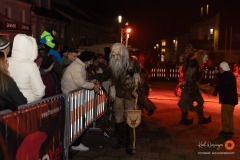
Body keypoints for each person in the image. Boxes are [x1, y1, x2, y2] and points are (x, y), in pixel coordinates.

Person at [102, 43, 141, 155]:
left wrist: (136, 90)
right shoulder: (112, 64)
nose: (115, 57)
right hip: (117, 94)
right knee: (118, 117)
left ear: (123, 53)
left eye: (117, 54)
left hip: (129, 94)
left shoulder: (133, 63)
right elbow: (105, 75)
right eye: (113, 55)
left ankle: (131, 145)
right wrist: (95, 79)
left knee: (131, 119)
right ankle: (120, 141)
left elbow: (139, 79)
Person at [61, 50, 100, 151]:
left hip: (74, 96)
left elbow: (80, 81)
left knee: (78, 119)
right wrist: (93, 86)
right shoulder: (78, 67)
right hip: (72, 97)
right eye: (91, 60)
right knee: (78, 120)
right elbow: (80, 83)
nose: (92, 62)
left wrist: (90, 83)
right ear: (88, 60)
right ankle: (75, 143)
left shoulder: (79, 65)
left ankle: (75, 142)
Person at [8, 34, 45, 103]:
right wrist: (32, 101)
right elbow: (40, 92)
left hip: (9, 104)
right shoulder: (30, 65)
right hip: (26, 104)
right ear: (29, 47)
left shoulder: (6, 61)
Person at [178, 50, 211, 125]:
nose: (207, 58)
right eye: (206, 57)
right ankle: (186, 119)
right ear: (201, 56)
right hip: (190, 86)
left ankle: (199, 119)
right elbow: (188, 75)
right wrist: (186, 84)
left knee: (195, 101)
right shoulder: (194, 63)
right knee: (186, 102)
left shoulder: (198, 64)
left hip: (193, 85)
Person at [217, 62, 238, 138]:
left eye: (220, 69)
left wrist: (222, 99)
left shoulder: (226, 76)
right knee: (229, 116)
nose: (219, 70)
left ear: (223, 68)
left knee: (225, 116)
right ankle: (231, 130)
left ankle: (226, 131)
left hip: (227, 100)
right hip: (231, 100)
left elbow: (224, 89)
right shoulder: (229, 75)